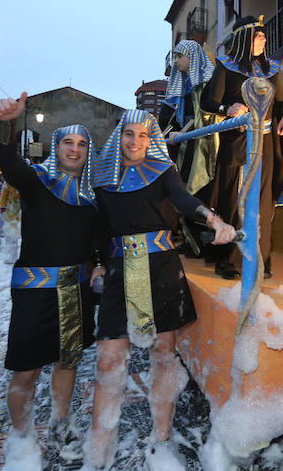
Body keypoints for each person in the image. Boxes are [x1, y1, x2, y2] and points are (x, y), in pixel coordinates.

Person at [86, 109, 236, 470]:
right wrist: (97, 263)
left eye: (141, 136)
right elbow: (98, 228)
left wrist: (213, 219)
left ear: (150, 139)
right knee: (108, 360)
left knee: (163, 356)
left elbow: (184, 201)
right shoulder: (103, 178)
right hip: (121, 272)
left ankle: (162, 442)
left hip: (160, 269)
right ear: (119, 136)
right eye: (128, 135)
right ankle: (99, 453)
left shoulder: (163, 171)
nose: (134, 142)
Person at [0, 92, 100, 468]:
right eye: (68, 142)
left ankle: (59, 423)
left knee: (68, 364)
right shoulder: (36, 182)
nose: (75, 149)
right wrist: (8, 123)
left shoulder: (92, 197)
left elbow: (97, 243)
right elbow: (8, 161)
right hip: (34, 295)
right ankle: (21, 438)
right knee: (27, 370)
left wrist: (99, 264)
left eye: (82, 144)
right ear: (56, 147)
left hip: (75, 294)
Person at [200, 15, 283, 279]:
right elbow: (208, 102)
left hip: (266, 144)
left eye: (264, 35)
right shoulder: (226, 67)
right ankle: (230, 261)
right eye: (258, 35)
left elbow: (282, 103)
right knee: (235, 202)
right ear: (244, 38)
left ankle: (260, 258)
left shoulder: (273, 70)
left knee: (263, 203)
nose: (264, 39)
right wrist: (227, 108)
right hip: (237, 144)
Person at [158, 39, 217, 257]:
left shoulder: (204, 84)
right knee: (182, 189)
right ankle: (191, 241)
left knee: (198, 189)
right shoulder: (183, 85)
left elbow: (203, 117)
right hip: (185, 144)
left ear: (191, 58)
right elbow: (176, 117)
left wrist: (183, 133)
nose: (175, 61)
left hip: (203, 146)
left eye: (179, 56)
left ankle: (201, 245)